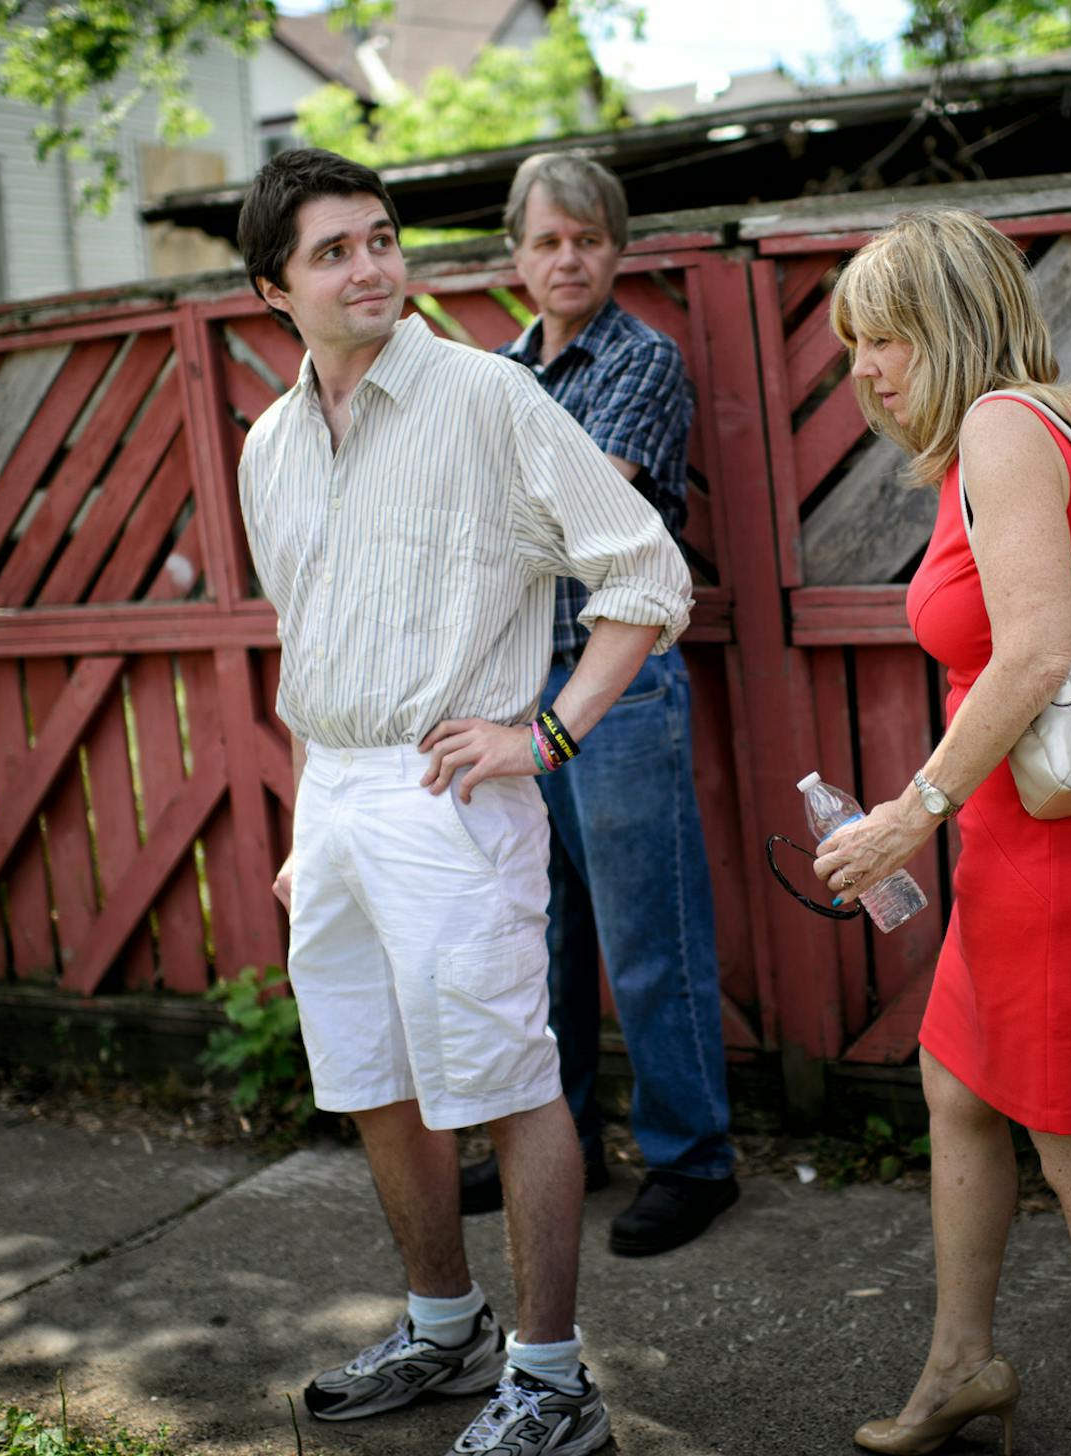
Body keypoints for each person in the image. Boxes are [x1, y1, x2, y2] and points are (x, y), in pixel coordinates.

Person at [236, 148, 692, 1456]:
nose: (373, 266)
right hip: (336, 794)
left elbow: (646, 579)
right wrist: (305, 819)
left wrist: (545, 733)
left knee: (509, 1081)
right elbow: (308, 636)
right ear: (275, 287)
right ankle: (448, 1328)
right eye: (335, 251)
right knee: (375, 1080)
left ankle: (553, 1383)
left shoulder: (487, 395)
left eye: (381, 238)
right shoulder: (270, 444)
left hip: (452, 794)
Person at [812, 208, 1071, 1456]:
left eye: (882, 338)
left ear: (950, 323)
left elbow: (1040, 651)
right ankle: (961, 1365)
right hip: (1022, 829)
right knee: (958, 1080)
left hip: (1048, 845)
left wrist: (909, 813)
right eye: (852, 347)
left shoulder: (1003, 431)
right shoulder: (1032, 418)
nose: (866, 371)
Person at [454, 151, 739, 1257]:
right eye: (547, 241)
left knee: (649, 935)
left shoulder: (643, 360)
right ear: (516, 258)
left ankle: (693, 1159)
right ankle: (562, 1136)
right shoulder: (498, 372)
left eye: (587, 238)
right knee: (548, 931)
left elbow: (587, 508)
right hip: (522, 689)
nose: (568, 257)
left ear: (615, 248)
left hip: (618, 689)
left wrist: (484, 521)